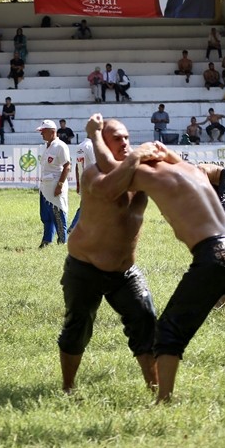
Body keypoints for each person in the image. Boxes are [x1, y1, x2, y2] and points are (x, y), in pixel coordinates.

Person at [85, 117, 225, 406]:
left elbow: (110, 176)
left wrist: (96, 136)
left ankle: (163, 401)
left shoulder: (146, 172)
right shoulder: (191, 170)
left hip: (214, 253)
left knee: (169, 330)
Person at [58, 117, 162, 393]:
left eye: (127, 138)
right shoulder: (93, 174)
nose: (125, 143)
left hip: (123, 272)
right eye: (117, 138)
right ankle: (68, 387)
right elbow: (112, 185)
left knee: (146, 320)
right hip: (85, 266)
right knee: (77, 327)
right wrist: (94, 135)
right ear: (103, 143)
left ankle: (156, 390)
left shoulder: (140, 171)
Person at [37, 119, 70, 248]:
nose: (41, 134)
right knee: (46, 215)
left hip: (55, 184)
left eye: (43, 131)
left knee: (58, 213)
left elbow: (67, 166)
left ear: (52, 132)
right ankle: (47, 240)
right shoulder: (47, 146)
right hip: (45, 186)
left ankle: (63, 241)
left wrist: (60, 185)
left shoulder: (60, 146)